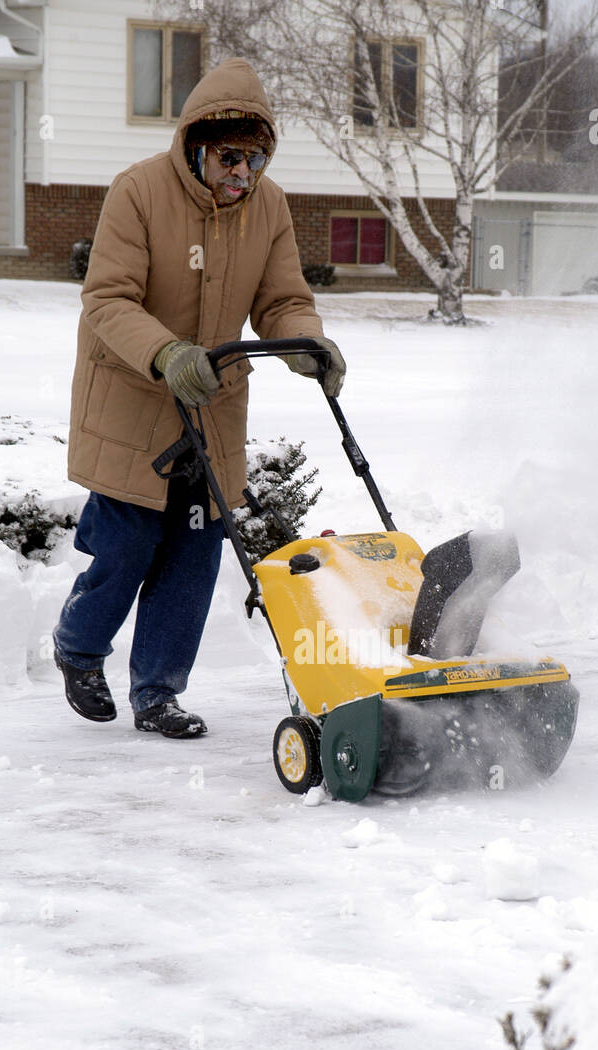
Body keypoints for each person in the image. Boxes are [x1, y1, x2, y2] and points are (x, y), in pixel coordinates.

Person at [53, 57, 344, 739]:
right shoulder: (140, 191)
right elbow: (107, 298)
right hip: (133, 396)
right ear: (197, 144)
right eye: (231, 158)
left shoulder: (267, 210)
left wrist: (308, 344)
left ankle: (157, 692)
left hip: (210, 406)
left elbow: (283, 300)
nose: (243, 175)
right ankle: (78, 648)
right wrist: (165, 352)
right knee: (126, 544)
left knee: (192, 552)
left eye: (257, 162)